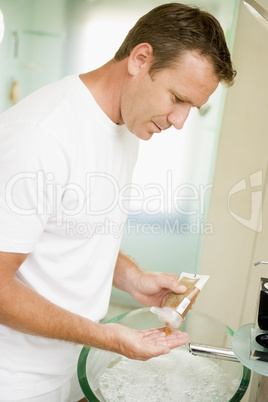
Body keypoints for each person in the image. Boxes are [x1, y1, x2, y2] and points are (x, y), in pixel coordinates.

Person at [0, 2, 236, 402]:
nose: (180, 122)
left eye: (192, 108)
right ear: (140, 59)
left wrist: (133, 279)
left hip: (73, 367)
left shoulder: (126, 125)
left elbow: (80, 231)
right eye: (177, 98)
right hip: (17, 380)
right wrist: (108, 337)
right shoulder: (40, 135)